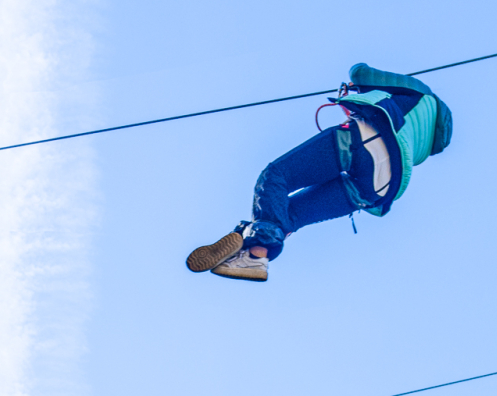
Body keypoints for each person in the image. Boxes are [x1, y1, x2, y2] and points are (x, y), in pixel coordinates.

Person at [186, 63, 453, 282]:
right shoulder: (425, 144)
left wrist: (353, 89)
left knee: (275, 177)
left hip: (366, 143)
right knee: (289, 215)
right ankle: (254, 256)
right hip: (378, 189)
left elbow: (361, 72)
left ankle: (254, 234)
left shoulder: (421, 94)